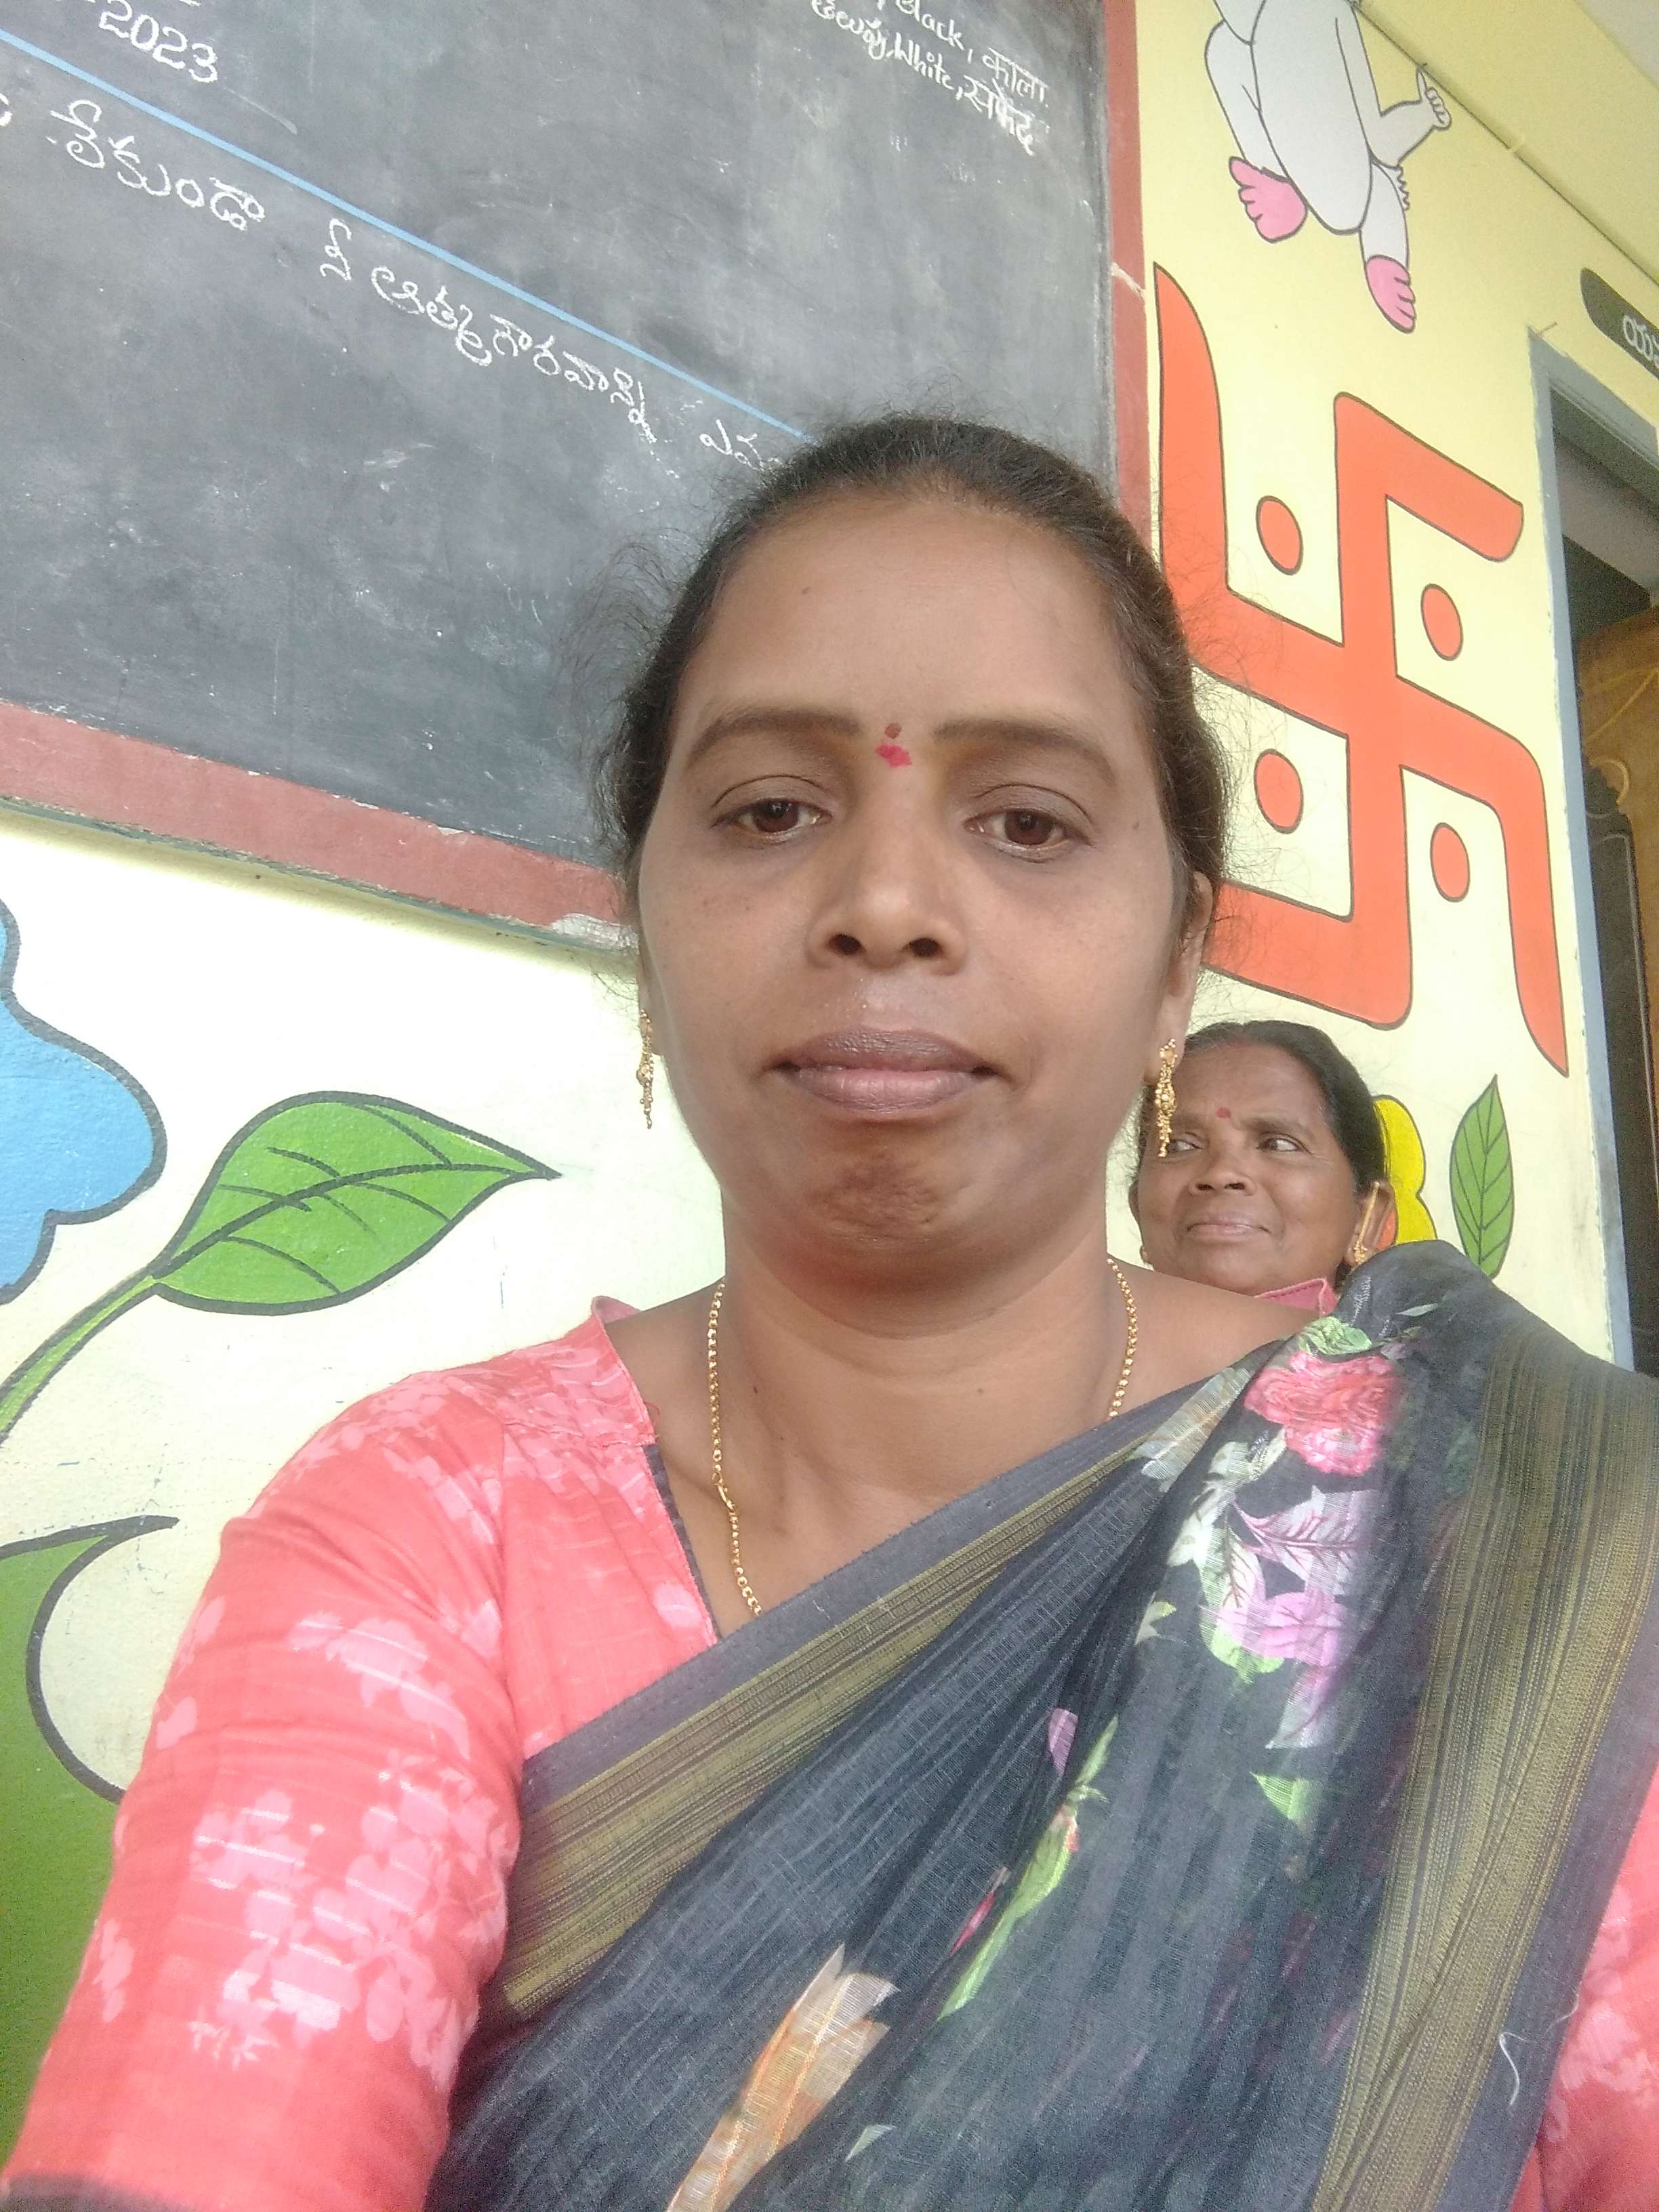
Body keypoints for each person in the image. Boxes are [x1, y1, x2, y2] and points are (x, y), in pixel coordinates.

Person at [5, 418, 1659, 2212]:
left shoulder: (1495, 1516)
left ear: (1178, 958)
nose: (885, 905)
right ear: (647, 929)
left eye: (1027, 823)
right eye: (771, 812)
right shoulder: (428, 1532)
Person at [1130, 1017, 1395, 1313]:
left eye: (1278, 1145)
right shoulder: (1090, 1338)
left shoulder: (1426, 1342)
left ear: (1366, 1218)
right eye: (1180, 1146)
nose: (1221, 1173)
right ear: (1137, 1207)